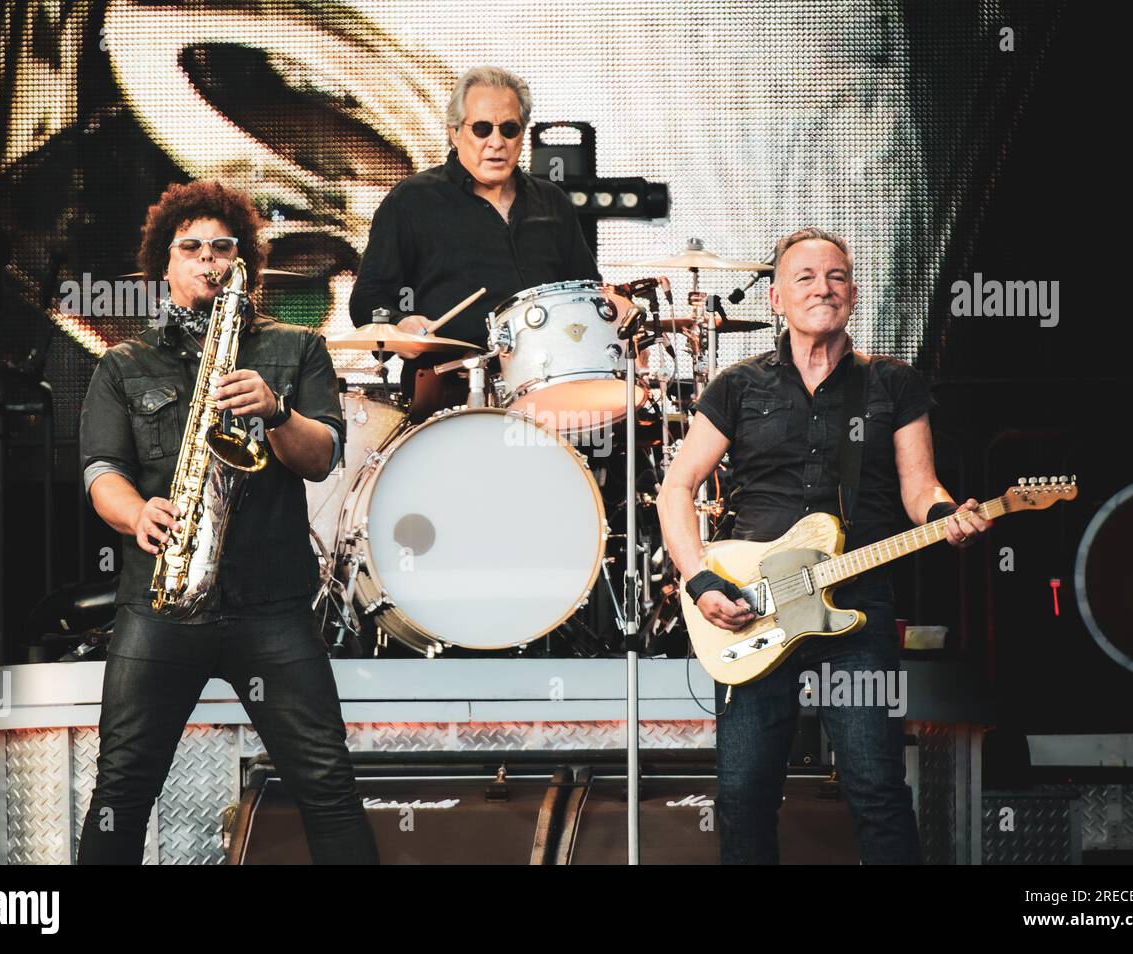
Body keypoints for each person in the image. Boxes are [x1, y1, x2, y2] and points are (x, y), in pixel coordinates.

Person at [657, 227, 991, 864]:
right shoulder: (738, 385)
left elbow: (921, 487)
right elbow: (679, 487)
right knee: (744, 794)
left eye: (836, 277)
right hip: (754, 603)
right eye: (805, 277)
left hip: (858, 598)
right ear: (777, 298)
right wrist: (701, 582)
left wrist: (947, 514)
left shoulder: (892, 384)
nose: (823, 288)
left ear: (855, 296)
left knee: (876, 788)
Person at [77, 179, 377, 864]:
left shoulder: (295, 350)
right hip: (162, 602)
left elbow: (324, 457)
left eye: (221, 247)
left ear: (244, 263)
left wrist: (276, 412)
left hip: (269, 603)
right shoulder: (124, 365)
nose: (208, 260)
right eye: (191, 249)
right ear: (164, 265)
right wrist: (136, 513)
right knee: (121, 791)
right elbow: (101, 472)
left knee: (328, 786)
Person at [349, 66, 599, 416]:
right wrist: (400, 324)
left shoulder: (552, 202)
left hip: (549, 394)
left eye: (509, 129)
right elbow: (367, 299)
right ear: (454, 132)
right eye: (482, 128)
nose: (496, 142)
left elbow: (586, 294)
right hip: (449, 395)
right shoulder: (410, 202)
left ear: (522, 134)